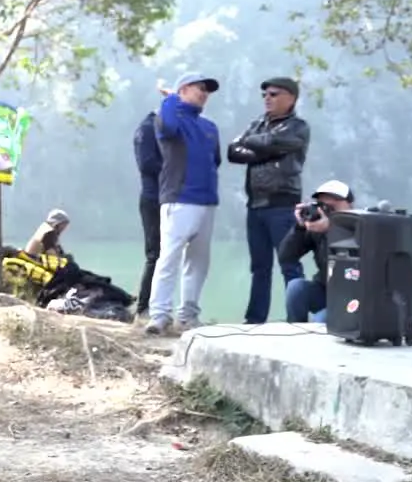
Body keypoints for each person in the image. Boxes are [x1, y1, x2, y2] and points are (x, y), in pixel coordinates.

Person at [227, 77, 310, 324]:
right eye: (265, 94)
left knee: (289, 263)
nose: (267, 98)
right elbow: (232, 151)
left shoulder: (298, 127)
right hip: (256, 205)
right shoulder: (258, 124)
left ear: (291, 98)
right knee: (259, 267)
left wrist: (252, 144)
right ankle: (255, 320)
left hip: (283, 204)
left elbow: (273, 142)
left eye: (274, 94)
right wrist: (263, 148)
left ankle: (297, 320)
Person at [145, 72, 222, 336]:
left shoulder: (210, 127)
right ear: (183, 90)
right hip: (179, 199)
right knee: (169, 259)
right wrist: (170, 100)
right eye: (198, 88)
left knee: (198, 262)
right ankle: (159, 316)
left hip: (207, 201)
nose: (204, 93)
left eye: (207, 90)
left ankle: (187, 316)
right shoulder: (169, 118)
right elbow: (166, 128)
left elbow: (216, 160)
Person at [279, 180, 355, 323]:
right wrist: (300, 228)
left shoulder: (363, 226)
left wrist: (331, 229)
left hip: (355, 297)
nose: (327, 211)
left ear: (349, 204)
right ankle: (296, 333)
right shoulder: (318, 228)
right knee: (296, 288)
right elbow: (286, 256)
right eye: (322, 206)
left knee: (320, 320)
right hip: (326, 290)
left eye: (332, 206)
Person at [133, 110, 162, 319]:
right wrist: (176, 169)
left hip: (168, 199)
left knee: (166, 257)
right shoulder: (148, 128)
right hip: (153, 198)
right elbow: (147, 164)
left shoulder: (162, 128)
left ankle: (160, 307)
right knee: (155, 255)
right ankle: (143, 308)